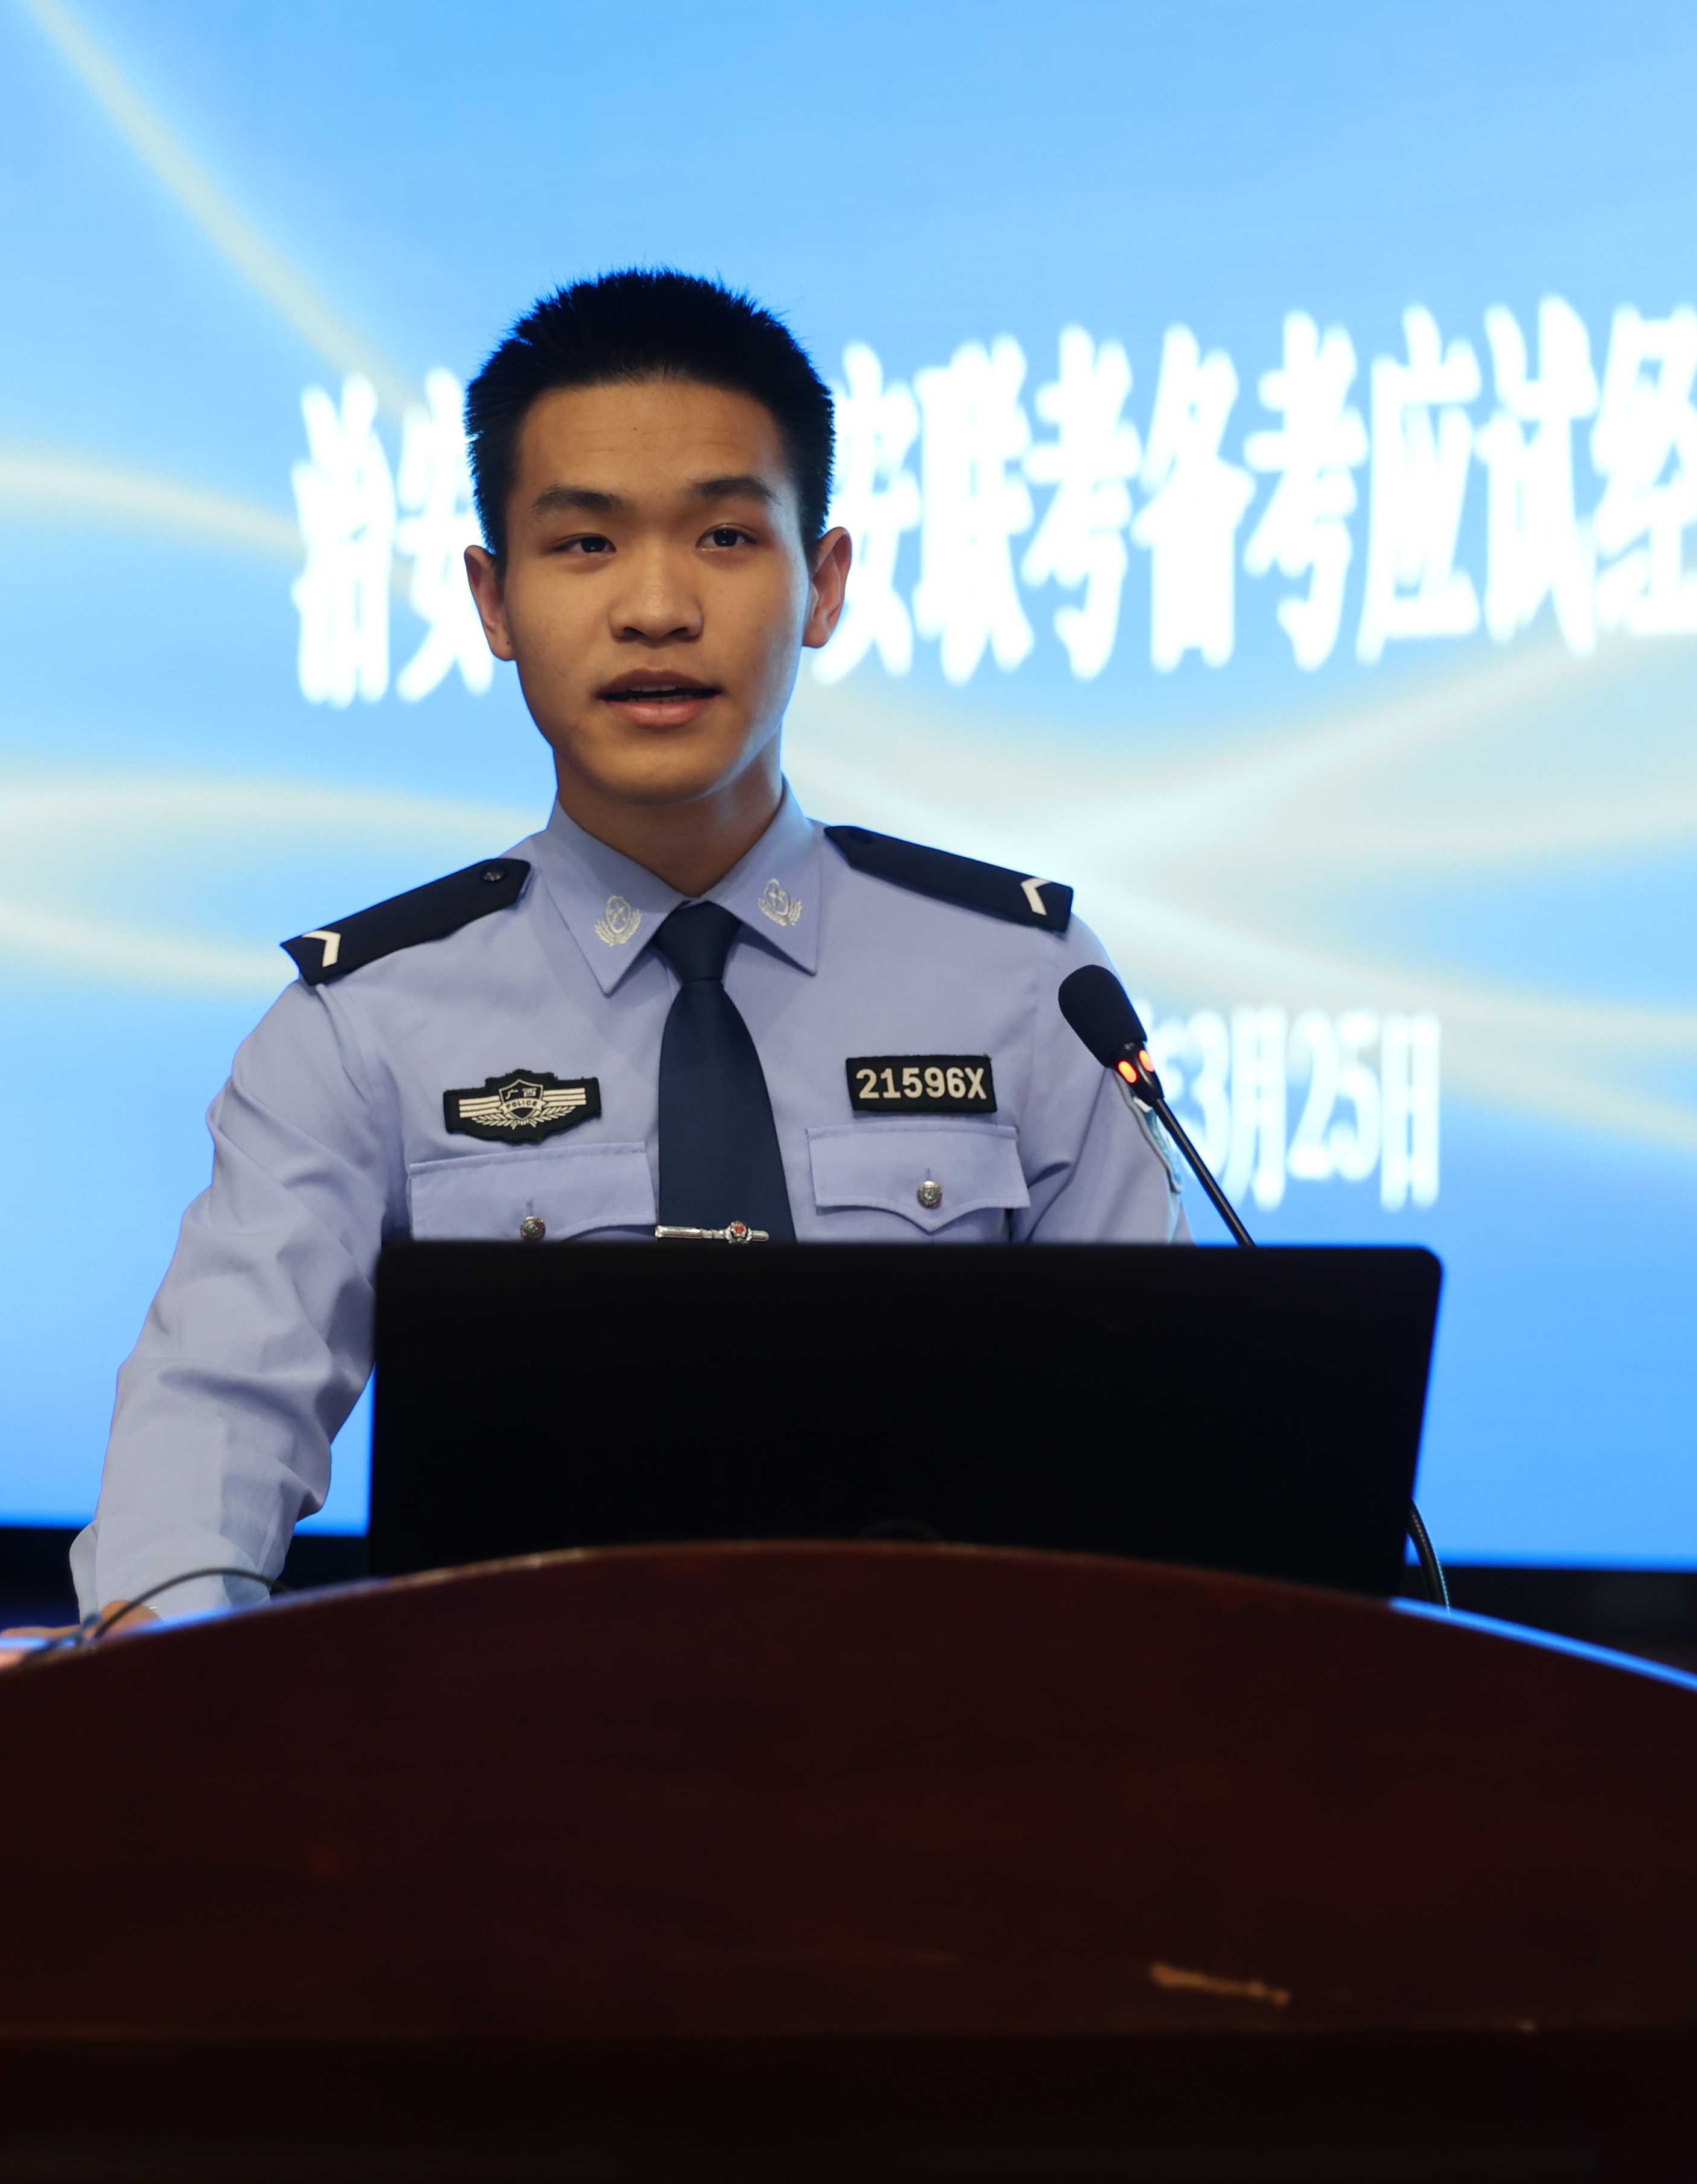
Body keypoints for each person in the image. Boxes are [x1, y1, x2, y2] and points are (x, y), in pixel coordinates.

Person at [72, 269, 1182, 1627]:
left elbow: (1163, 1468)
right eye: (587, 542)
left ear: (824, 581)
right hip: (516, 1742)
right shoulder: (364, 1027)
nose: (657, 607)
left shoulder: (1030, 985)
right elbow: (202, 1450)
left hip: (941, 1732)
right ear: (493, 600)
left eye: (724, 535)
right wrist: (176, 1670)